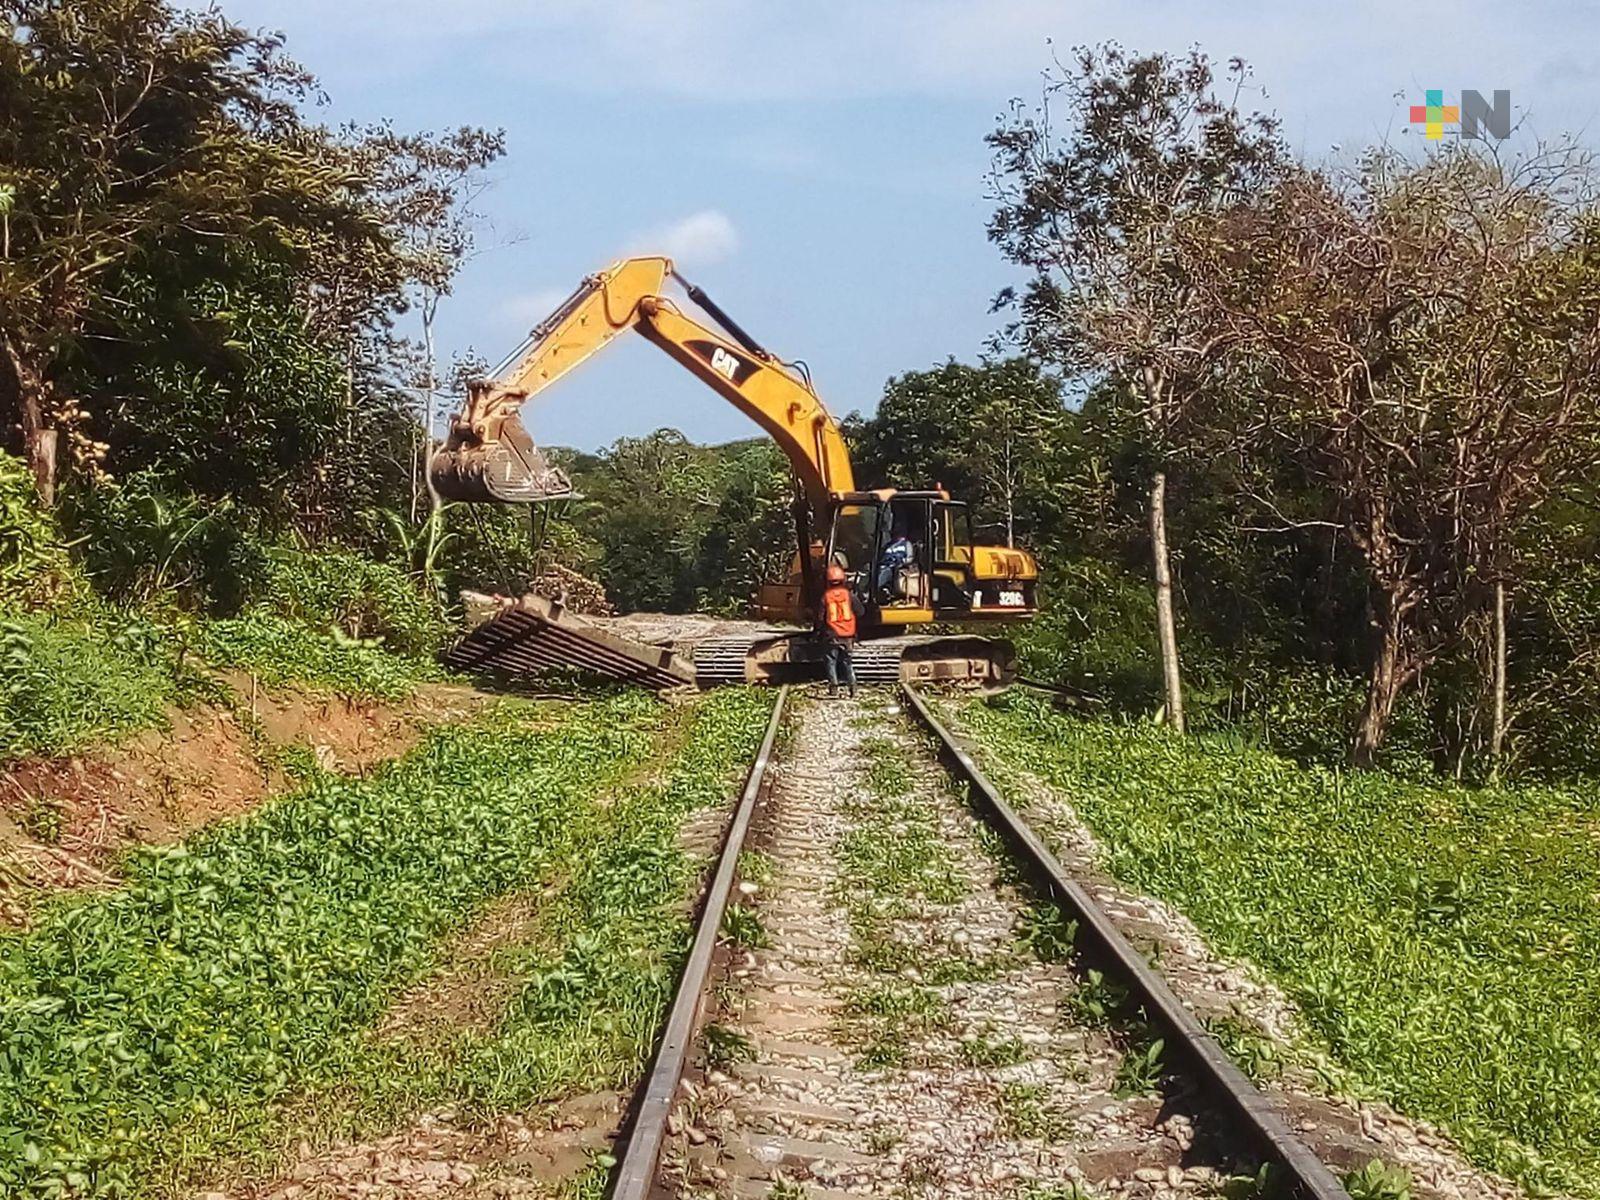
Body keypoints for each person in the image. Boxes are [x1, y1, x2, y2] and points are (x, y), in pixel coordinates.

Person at [819, 562, 864, 697]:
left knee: (831, 662)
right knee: (848, 663)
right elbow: (861, 611)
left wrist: (819, 631)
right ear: (843, 580)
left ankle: (834, 689)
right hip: (848, 635)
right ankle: (853, 689)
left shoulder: (825, 597)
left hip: (832, 635)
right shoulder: (850, 596)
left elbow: (820, 618)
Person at [877, 526, 915, 595]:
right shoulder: (888, 545)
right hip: (882, 565)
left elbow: (909, 559)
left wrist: (900, 563)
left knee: (886, 572)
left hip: (894, 567)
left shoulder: (907, 544)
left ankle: (877, 589)